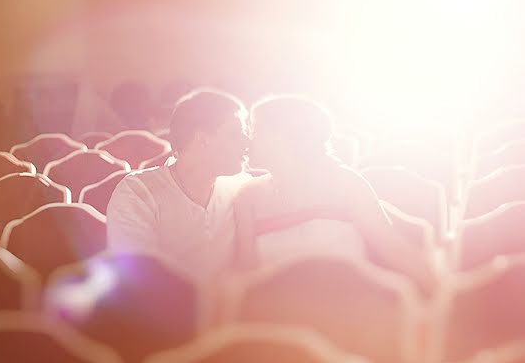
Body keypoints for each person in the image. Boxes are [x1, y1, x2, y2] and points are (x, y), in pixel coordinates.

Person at [231, 94, 435, 290]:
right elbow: (246, 277)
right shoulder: (248, 196)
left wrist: (444, 300)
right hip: (277, 316)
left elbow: (393, 249)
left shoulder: (346, 183)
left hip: (347, 309)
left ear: (285, 136)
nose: (247, 142)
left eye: (255, 131)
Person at [106, 88, 250, 285]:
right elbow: (138, 282)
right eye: (237, 133)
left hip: (229, 310)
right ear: (203, 139)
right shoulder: (137, 194)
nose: (247, 142)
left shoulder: (241, 188)